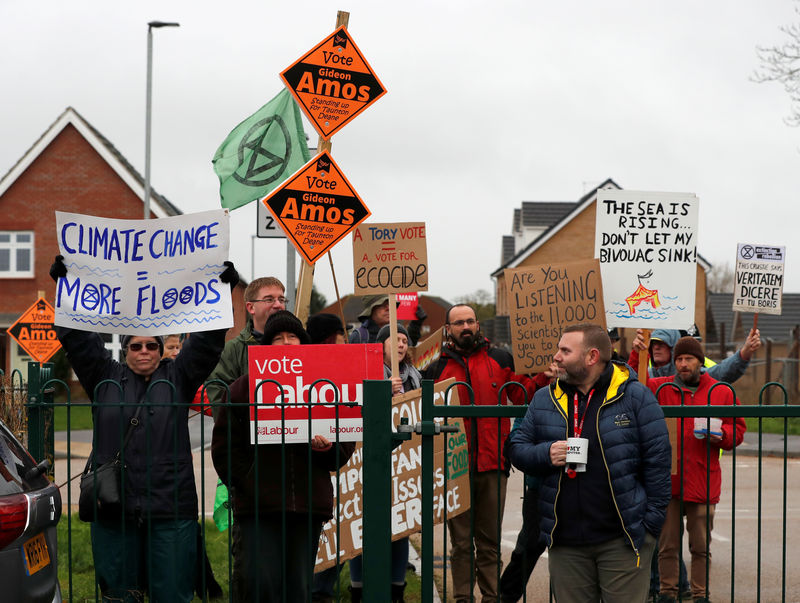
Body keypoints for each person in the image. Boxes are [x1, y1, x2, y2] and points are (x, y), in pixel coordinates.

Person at [49, 255, 237, 602]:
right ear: (125, 351)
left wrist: (222, 291)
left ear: (162, 349)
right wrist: (66, 289)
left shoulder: (178, 377)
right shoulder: (104, 378)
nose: (145, 351)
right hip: (114, 507)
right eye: (136, 345)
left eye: (152, 345)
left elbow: (208, 344)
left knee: (172, 594)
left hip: (171, 506)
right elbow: (77, 339)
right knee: (121, 596)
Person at [508, 323, 672, 603]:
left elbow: (658, 463)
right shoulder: (544, 398)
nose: (556, 356)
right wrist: (546, 454)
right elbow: (516, 447)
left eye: (565, 350)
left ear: (592, 357)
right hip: (565, 544)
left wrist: (648, 529)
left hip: (622, 541)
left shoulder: (634, 397)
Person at [211, 311, 355, 602]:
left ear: (304, 344)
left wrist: (326, 448)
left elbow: (341, 451)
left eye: (293, 337)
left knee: (298, 589)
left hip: (307, 507)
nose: (287, 343)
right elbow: (225, 448)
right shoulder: (243, 388)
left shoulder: (326, 385)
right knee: (258, 586)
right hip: (257, 509)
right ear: (266, 347)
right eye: (278, 338)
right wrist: (249, 483)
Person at [424, 304, 548, 603]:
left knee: (490, 542)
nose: (466, 327)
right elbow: (420, 409)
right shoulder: (435, 368)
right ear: (448, 330)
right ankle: (463, 598)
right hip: (454, 467)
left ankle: (492, 598)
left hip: (493, 464)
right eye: (459, 323)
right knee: (462, 543)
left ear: (477, 324)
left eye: (470, 321)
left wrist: (544, 377)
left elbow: (524, 394)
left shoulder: (501, 359)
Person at [647, 337, 746, 603]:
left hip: (702, 480)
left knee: (700, 546)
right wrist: (636, 352)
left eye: (688, 359)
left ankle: (700, 595)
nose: (682, 364)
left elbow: (738, 429)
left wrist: (722, 435)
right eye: (678, 359)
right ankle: (668, 593)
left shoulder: (721, 392)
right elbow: (633, 385)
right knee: (667, 546)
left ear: (700, 362)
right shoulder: (660, 388)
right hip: (669, 482)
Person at [348, 323, 421, 603]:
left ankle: (396, 588)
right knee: (360, 524)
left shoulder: (415, 377)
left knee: (400, 526)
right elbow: (354, 407)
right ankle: (358, 588)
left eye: (405, 340)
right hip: (368, 461)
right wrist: (381, 390)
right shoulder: (364, 371)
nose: (401, 344)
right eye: (395, 339)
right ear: (381, 345)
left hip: (404, 463)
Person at [628, 327, 761, 383]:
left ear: (673, 348)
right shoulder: (647, 377)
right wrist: (637, 354)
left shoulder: (691, 376)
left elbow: (722, 372)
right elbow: (628, 384)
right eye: (653, 344)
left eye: (662, 344)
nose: (656, 347)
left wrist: (745, 352)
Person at [349, 294, 427, 346]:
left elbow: (410, 350)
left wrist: (416, 323)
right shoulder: (359, 337)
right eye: (382, 305)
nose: (388, 308)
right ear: (371, 310)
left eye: (390, 304)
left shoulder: (398, 331)